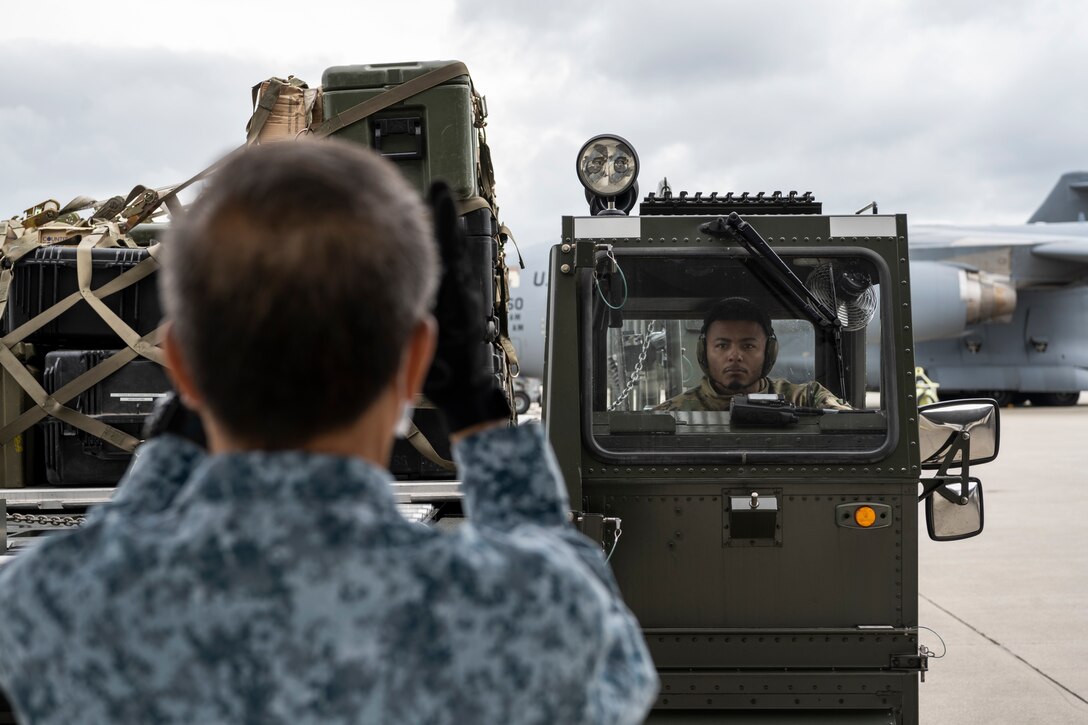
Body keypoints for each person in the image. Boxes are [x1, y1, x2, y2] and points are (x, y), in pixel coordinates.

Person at [0, 140, 658, 724]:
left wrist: (165, 453)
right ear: (416, 364)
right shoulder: (519, 613)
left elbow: (105, 563)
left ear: (181, 366)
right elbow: (605, 644)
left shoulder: (55, 604)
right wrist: (482, 417)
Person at [656, 296, 850, 412]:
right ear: (704, 352)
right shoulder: (672, 413)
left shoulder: (806, 399)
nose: (735, 356)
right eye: (722, 345)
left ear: (769, 351)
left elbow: (850, 427)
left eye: (748, 346)